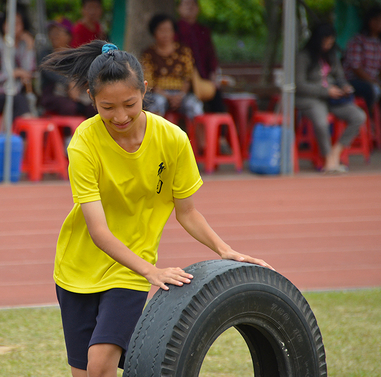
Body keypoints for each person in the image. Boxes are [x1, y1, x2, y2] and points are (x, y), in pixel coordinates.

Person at [41, 40, 272, 377]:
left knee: (101, 366)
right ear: (91, 98)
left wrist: (226, 250)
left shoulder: (172, 139)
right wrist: (153, 272)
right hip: (76, 268)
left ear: (144, 90)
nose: (120, 116)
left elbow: (188, 212)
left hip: (130, 269)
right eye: (106, 107)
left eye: (129, 104)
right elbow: (99, 231)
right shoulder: (83, 143)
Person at [295, 23, 367, 173]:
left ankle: (336, 151)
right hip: (311, 99)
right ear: (317, 40)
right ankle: (328, 159)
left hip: (333, 98)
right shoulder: (304, 56)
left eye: (330, 42)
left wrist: (345, 86)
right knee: (321, 123)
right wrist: (325, 91)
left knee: (359, 116)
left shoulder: (332, 55)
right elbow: (300, 85)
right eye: (325, 42)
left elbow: (340, 76)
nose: (328, 45)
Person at [343, 6, 381, 145]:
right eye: (377, 20)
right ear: (369, 21)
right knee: (370, 90)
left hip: (374, 83)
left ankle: (375, 120)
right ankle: (367, 121)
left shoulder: (380, 44)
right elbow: (356, 67)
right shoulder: (357, 40)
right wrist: (375, 83)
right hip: (353, 82)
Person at [141, 13, 203, 119]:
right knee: (157, 103)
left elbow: (188, 77)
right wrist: (168, 96)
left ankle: (197, 135)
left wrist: (180, 95)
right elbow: (149, 81)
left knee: (194, 105)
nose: (165, 34)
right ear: (154, 32)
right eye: (161, 30)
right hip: (159, 93)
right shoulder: (148, 54)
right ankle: (157, 135)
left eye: (168, 30)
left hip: (181, 93)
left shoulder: (184, 51)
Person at [0, 7, 36, 118]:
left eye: (17, 23)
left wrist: (30, 48)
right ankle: (27, 131)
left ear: (23, 26)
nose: (13, 27)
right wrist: (15, 73)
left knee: (26, 100)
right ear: (3, 25)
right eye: (9, 23)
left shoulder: (22, 46)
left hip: (16, 94)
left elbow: (29, 71)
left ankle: (22, 130)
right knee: (18, 100)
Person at [175, 0, 225, 112]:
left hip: (204, 78)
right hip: (182, 80)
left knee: (217, 98)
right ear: (179, 8)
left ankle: (219, 130)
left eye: (193, 4)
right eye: (186, 4)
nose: (190, 7)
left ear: (198, 9)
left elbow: (211, 56)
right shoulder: (175, 29)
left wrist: (213, 75)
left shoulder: (203, 31)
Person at [39, 17, 94, 117]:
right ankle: (68, 132)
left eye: (58, 33)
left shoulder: (76, 56)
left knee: (92, 107)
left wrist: (80, 83)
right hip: (53, 93)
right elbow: (48, 71)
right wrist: (69, 83)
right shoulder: (45, 53)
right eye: (52, 32)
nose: (54, 36)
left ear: (69, 36)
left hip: (76, 94)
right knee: (69, 107)